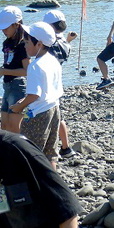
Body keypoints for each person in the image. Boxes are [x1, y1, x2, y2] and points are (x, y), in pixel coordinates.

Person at [10, 22, 64, 168]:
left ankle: (33, 180)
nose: (24, 46)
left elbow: (34, 95)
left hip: (38, 113)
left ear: (39, 44)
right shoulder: (53, 60)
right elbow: (46, 89)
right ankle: (51, 179)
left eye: (27, 42)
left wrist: (19, 106)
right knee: (50, 153)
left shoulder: (35, 66)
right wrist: (25, 99)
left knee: (30, 151)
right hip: (54, 109)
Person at [43, 10, 78, 159]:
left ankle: (47, 147)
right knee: (58, 115)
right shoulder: (64, 44)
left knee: (46, 115)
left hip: (46, 82)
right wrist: (68, 39)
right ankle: (65, 147)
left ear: (50, 26)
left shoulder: (49, 43)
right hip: (57, 83)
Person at [0, 6, 29, 133]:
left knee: (15, 128)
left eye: (6, 27)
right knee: (4, 126)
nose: (3, 30)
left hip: (18, 86)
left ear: (16, 25)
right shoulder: (7, 43)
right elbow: (10, 65)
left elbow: (27, 71)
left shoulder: (23, 44)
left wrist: (4, 71)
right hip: (7, 86)